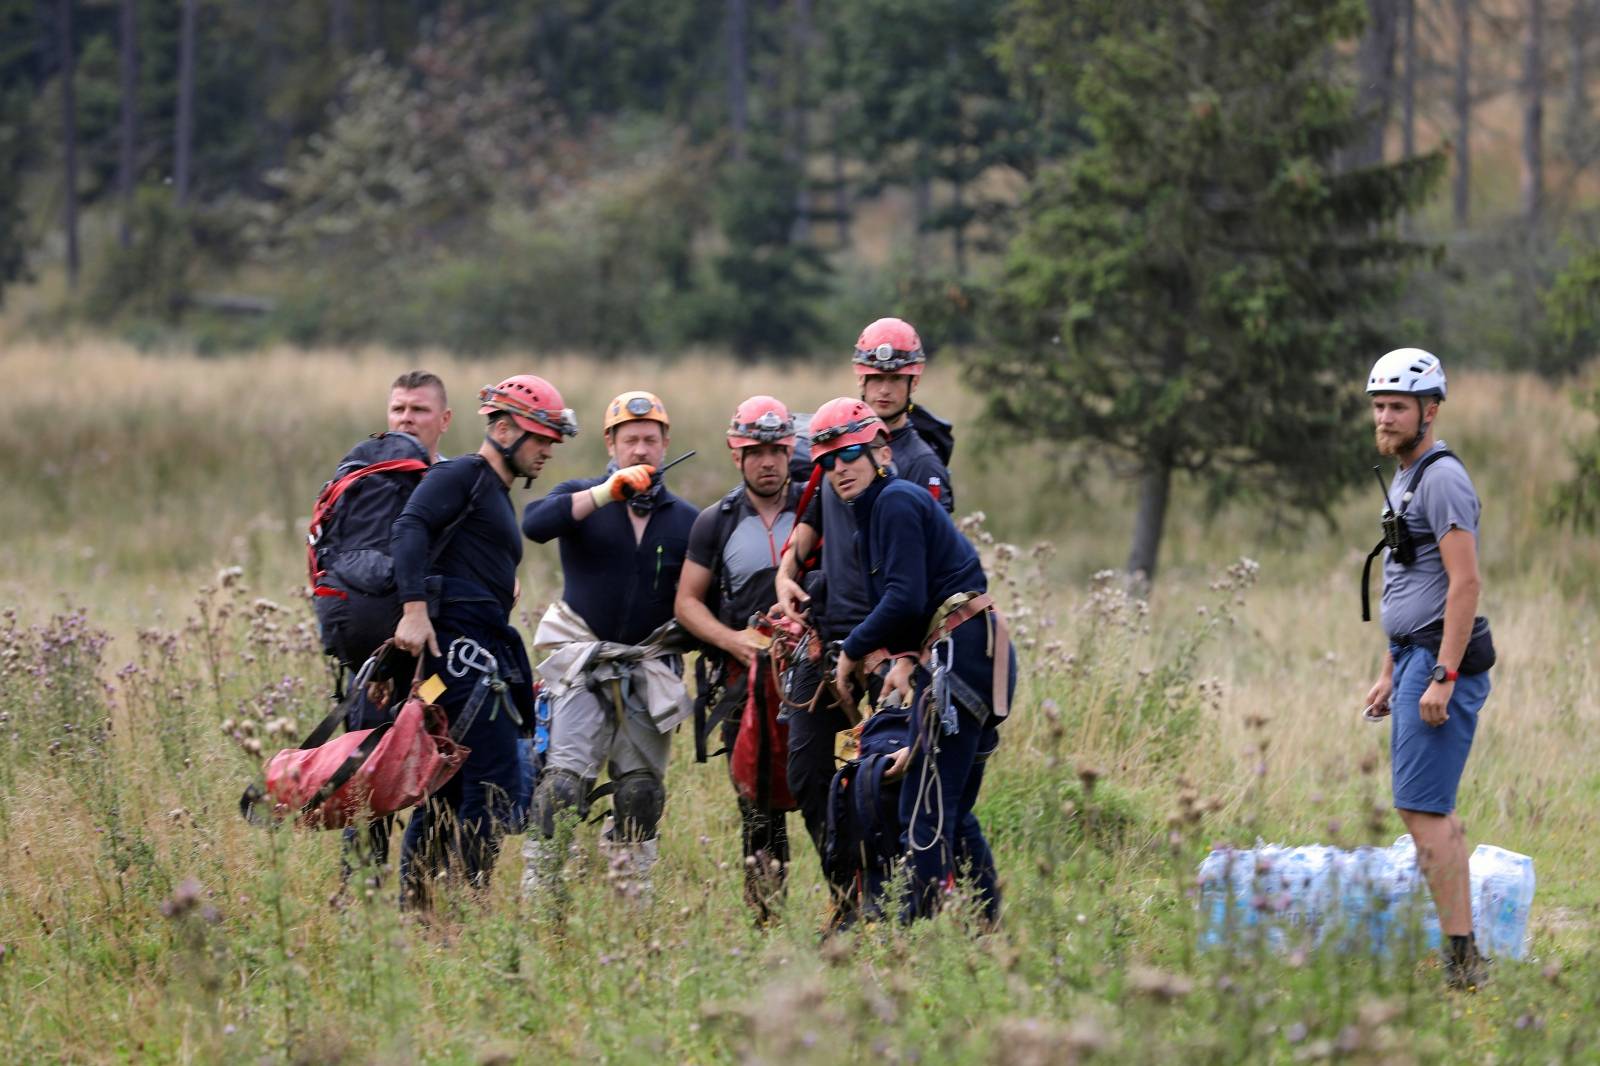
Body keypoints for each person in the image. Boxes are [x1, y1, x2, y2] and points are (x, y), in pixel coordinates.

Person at [806, 397, 1013, 924]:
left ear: (879, 450)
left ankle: (910, 945)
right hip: (967, 651)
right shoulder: (873, 515)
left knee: (921, 809)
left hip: (961, 652)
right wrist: (902, 655)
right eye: (827, 460)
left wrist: (851, 652)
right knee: (950, 809)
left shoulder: (895, 499)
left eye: (850, 452)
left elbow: (903, 598)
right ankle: (985, 932)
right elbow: (914, 602)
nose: (839, 468)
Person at [772, 319, 955, 907]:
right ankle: (847, 896)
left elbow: (925, 575)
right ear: (859, 376)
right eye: (873, 377)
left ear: (913, 380)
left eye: (894, 378)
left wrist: (910, 654)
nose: (882, 389)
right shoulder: (832, 442)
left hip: (888, 649)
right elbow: (810, 522)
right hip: (825, 639)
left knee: (882, 781)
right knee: (806, 777)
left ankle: (893, 901)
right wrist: (785, 572)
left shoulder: (921, 468)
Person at [389, 374, 576, 908]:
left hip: (470, 652)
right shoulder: (464, 475)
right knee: (492, 778)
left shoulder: (491, 492)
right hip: (457, 655)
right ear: (503, 428)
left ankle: (419, 910)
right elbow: (409, 528)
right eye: (540, 439)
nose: (546, 451)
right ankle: (468, 901)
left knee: (447, 783)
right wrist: (414, 611)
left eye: (551, 442)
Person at [521, 391, 699, 900]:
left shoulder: (686, 520)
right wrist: (606, 494)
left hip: (649, 665)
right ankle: (542, 896)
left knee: (640, 792)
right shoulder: (582, 496)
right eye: (630, 440)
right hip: (582, 661)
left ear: (666, 444)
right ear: (611, 443)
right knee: (560, 789)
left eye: (650, 440)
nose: (640, 450)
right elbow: (533, 524)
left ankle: (631, 900)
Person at [1360, 348, 1494, 989]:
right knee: (1428, 808)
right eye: (1379, 406)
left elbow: (1464, 584)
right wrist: (1390, 669)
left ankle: (1464, 962)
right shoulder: (1409, 475)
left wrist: (1442, 675)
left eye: (1397, 407)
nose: (1383, 418)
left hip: (1441, 661)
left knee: (1421, 809)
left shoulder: (1441, 479)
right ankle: (1462, 950)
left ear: (1429, 411)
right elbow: (1409, 580)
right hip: (1415, 657)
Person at [674, 396, 802, 923]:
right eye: (755, 451)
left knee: (830, 793)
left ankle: (851, 910)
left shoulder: (818, 509)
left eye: (776, 449)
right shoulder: (715, 522)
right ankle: (768, 920)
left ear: (791, 449)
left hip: (815, 684)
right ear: (736, 455)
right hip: (741, 688)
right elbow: (685, 603)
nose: (767, 461)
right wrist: (730, 640)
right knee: (758, 808)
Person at [387, 369, 453, 462]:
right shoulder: (364, 474)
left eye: (418, 409)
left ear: (444, 420)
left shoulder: (460, 476)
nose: (405, 418)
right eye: (398, 409)